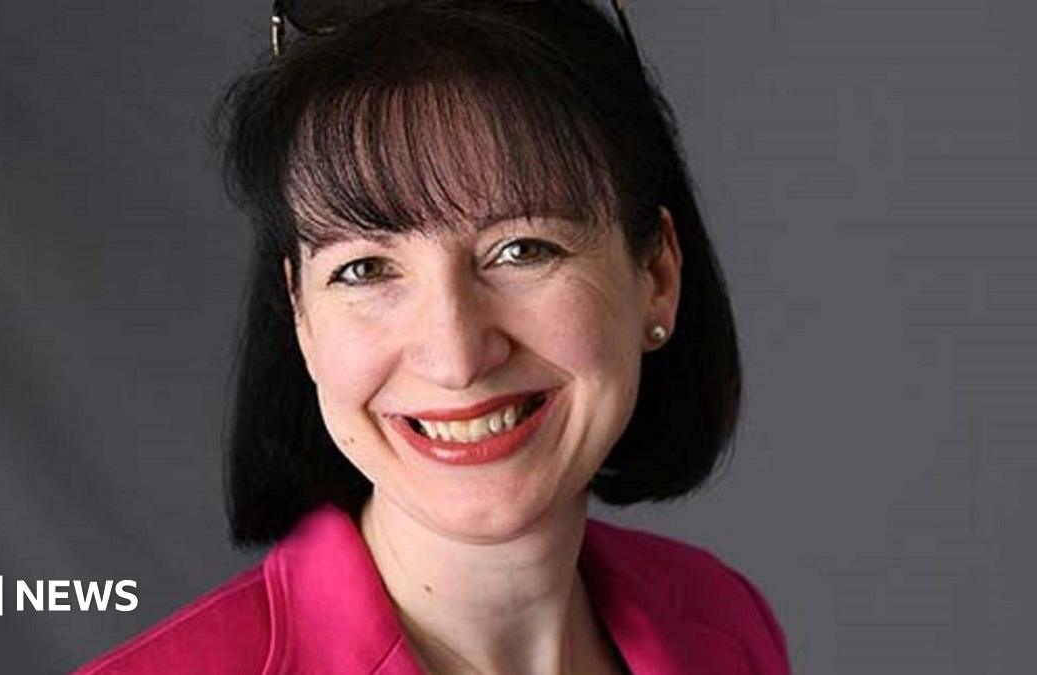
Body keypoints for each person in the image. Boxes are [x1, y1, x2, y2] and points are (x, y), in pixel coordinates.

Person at [77, 0, 791, 672]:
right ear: (301, 315)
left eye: (522, 250)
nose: (456, 357)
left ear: (656, 275)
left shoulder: (727, 624)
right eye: (365, 268)